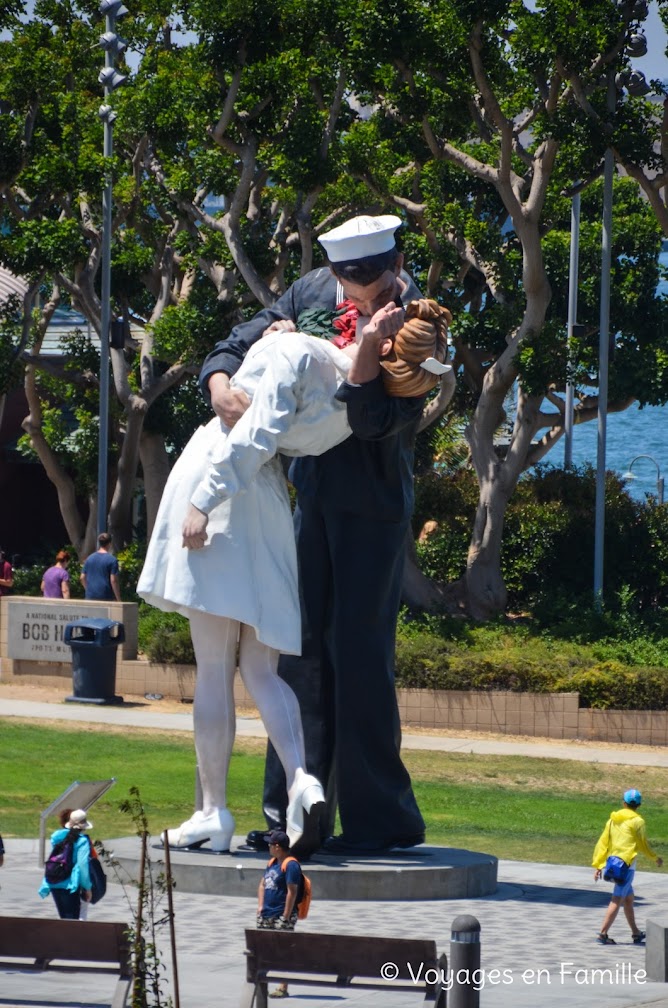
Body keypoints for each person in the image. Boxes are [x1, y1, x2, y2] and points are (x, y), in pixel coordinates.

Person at [139, 295, 450, 855]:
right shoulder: (349, 412)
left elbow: (252, 436)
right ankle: (301, 779)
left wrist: (201, 502)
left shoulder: (297, 353)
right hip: (268, 505)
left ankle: (212, 811)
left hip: (224, 482)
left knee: (214, 668)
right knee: (264, 671)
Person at [200, 213, 433, 856]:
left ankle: (378, 818)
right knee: (295, 654)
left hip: (374, 502)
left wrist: (366, 350)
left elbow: (379, 420)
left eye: (373, 279)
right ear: (331, 270)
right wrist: (221, 384)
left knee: (361, 657)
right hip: (304, 498)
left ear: (394, 262)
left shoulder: (420, 321)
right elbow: (238, 338)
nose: (360, 294)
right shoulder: (308, 293)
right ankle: (293, 816)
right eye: (347, 280)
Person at [592, 788, 663, 945]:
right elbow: (643, 844)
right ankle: (603, 934)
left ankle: (636, 933)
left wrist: (598, 865)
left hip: (612, 864)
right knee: (617, 899)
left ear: (623, 803)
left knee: (629, 899)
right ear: (639, 805)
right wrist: (655, 858)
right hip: (626, 867)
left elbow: (603, 842)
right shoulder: (638, 822)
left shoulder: (612, 820)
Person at [256, 829, 304, 999]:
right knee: (263, 949)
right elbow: (262, 884)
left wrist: (286, 915)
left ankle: (283, 987)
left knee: (283, 950)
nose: (268, 847)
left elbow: (292, 891)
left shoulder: (291, 865)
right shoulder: (272, 863)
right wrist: (261, 906)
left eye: (270, 844)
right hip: (267, 913)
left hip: (281, 914)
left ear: (278, 847)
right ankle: (261, 981)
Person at [38, 808, 94, 921]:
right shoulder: (82, 841)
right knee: (72, 920)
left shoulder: (57, 837)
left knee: (64, 918)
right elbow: (82, 865)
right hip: (70, 884)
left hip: (54, 880)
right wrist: (87, 887)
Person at [80, 533, 121, 601]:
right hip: (106, 596)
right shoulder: (112, 560)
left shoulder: (89, 558)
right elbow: (113, 580)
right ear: (110, 544)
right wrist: (118, 598)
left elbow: (82, 577)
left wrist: (88, 590)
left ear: (99, 543)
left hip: (90, 596)